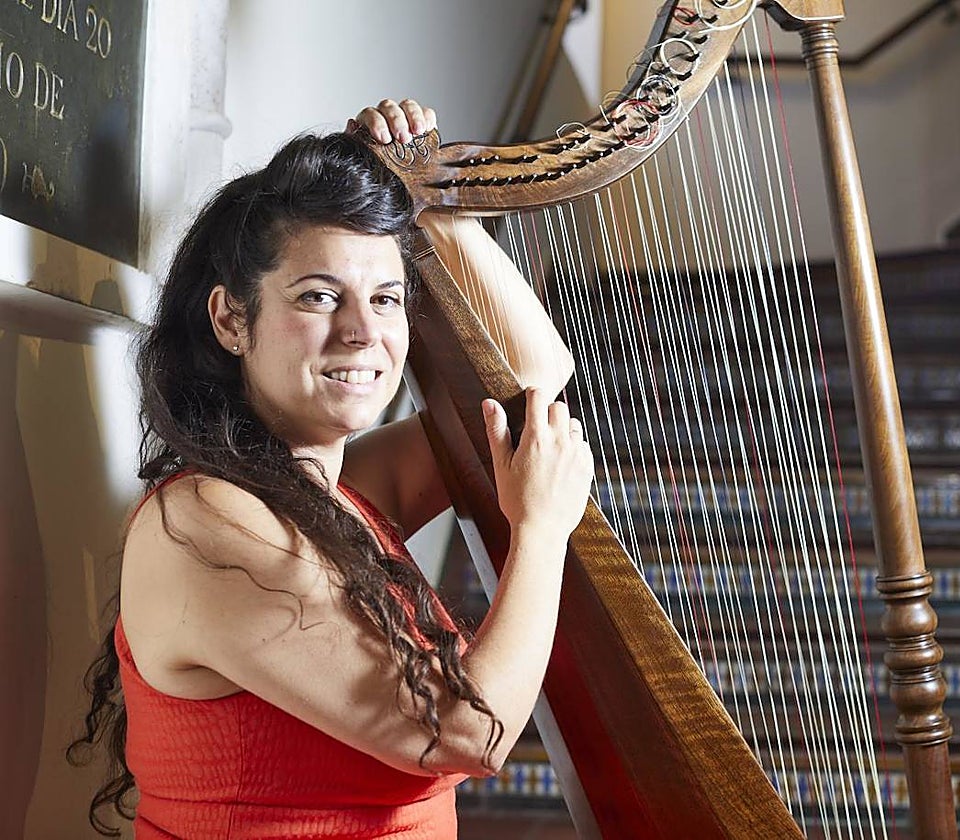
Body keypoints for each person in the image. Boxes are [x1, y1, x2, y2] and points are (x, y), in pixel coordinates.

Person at [67, 99, 594, 839]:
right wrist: (538, 531)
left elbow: (532, 374)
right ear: (230, 320)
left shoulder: (347, 492)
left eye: (386, 299)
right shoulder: (203, 521)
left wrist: (432, 195)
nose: (362, 332)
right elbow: (466, 732)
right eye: (319, 296)